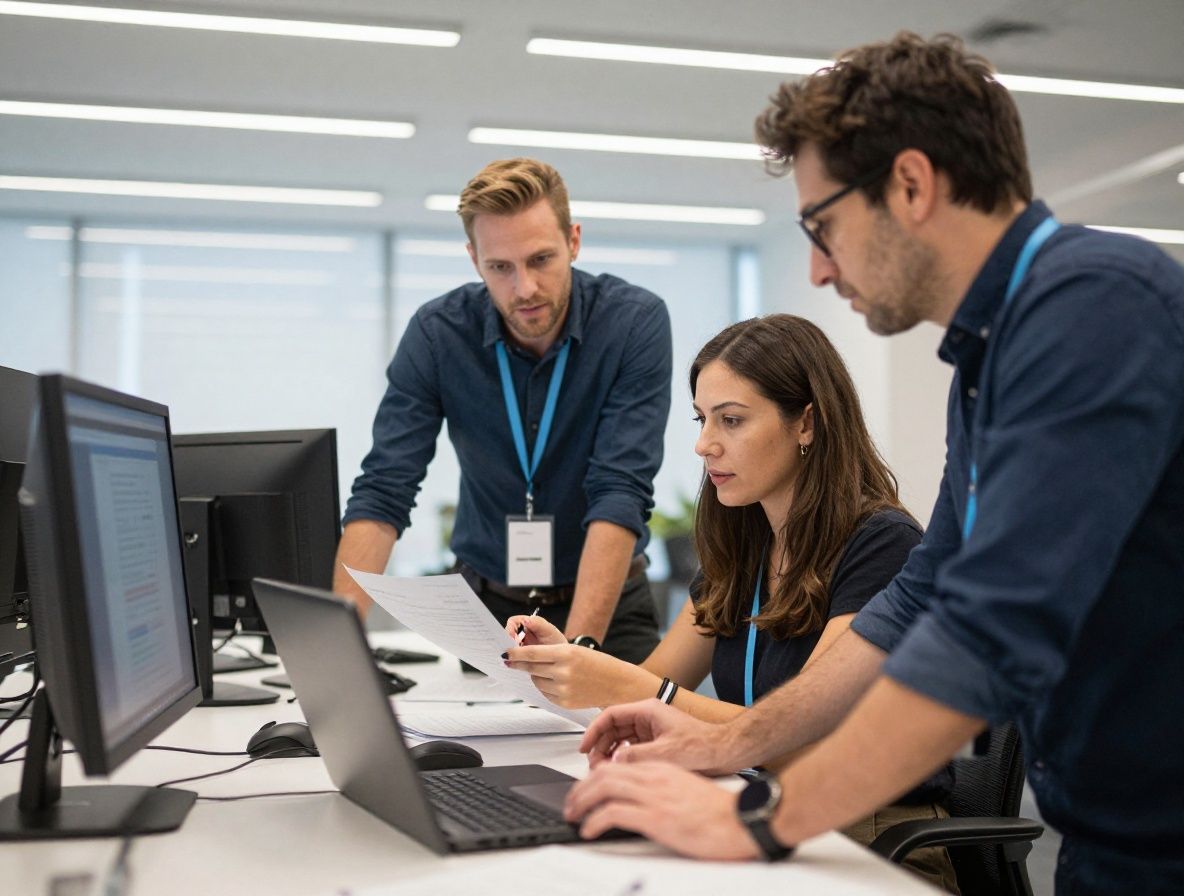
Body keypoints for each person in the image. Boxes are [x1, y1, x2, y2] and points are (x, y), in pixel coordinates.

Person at [562, 32, 1184, 895]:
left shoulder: (1091, 307)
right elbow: (922, 599)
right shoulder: (990, 356)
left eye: (824, 227)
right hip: (1110, 842)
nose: (817, 269)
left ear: (913, 185)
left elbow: (990, 634)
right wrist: (727, 743)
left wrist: (760, 820)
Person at [504, 313, 957, 890]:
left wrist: (633, 689)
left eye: (732, 420)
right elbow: (652, 680)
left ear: (807, 424)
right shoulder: (745, 543)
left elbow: (808, 746)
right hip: (755, 806)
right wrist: (572, 660)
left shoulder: (882, 544)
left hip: (864, 834)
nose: (703, 444)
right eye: (702, 419)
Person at [335, 158, 672, 663]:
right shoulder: (437, 335)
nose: (525, 289)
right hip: (489, 611)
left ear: (573, 240)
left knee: (620, 740)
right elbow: (385, 487)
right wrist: (336, 652)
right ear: (474, 259)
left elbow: (619, 490)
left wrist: (576, 657)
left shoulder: (633, 324)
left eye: (541, 260)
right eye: (501, 267)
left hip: (609, 607)